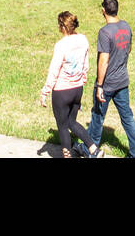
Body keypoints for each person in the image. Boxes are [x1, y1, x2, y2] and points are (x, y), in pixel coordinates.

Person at [86, 0, 135, 158]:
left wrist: (99, 85)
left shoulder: (104, 32)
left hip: (107, 84)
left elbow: (103, 61)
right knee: (128, 119)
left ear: (103, 11)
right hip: (122, 81)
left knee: (97, 117)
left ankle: (91, 149)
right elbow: (128, 48)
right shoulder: (126, 26)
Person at [39, 10, 102, 159]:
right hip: (77, 89)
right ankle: (93, 148)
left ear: (62, 26)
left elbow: (54, 70)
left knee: (62, 125)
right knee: (72, 122)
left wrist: (45, 91)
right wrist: (82, 81)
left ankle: (67, 155)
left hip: (62, 91)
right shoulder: (83, 40)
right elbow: (85, 65)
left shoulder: (61, 45)